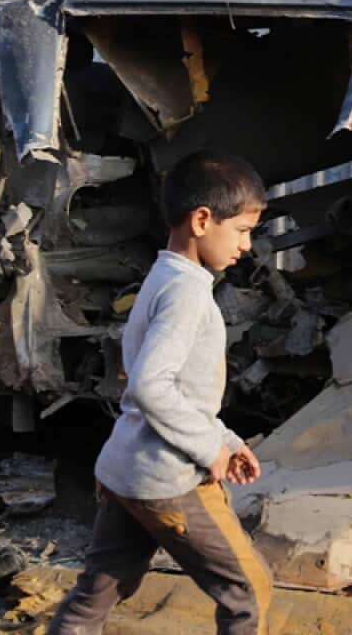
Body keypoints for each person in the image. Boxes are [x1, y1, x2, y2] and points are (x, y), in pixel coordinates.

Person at [48, 151, 272, 635]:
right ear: (201, 220)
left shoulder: (165, 276)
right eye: (241, 231)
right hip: (169, 479)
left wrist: (227, 440)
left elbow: (177, 391)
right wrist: (208, 446)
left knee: (95, 597)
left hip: (128, 471)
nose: (246, 246)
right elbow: (153, 385)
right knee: (250, 590)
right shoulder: (188, 294)